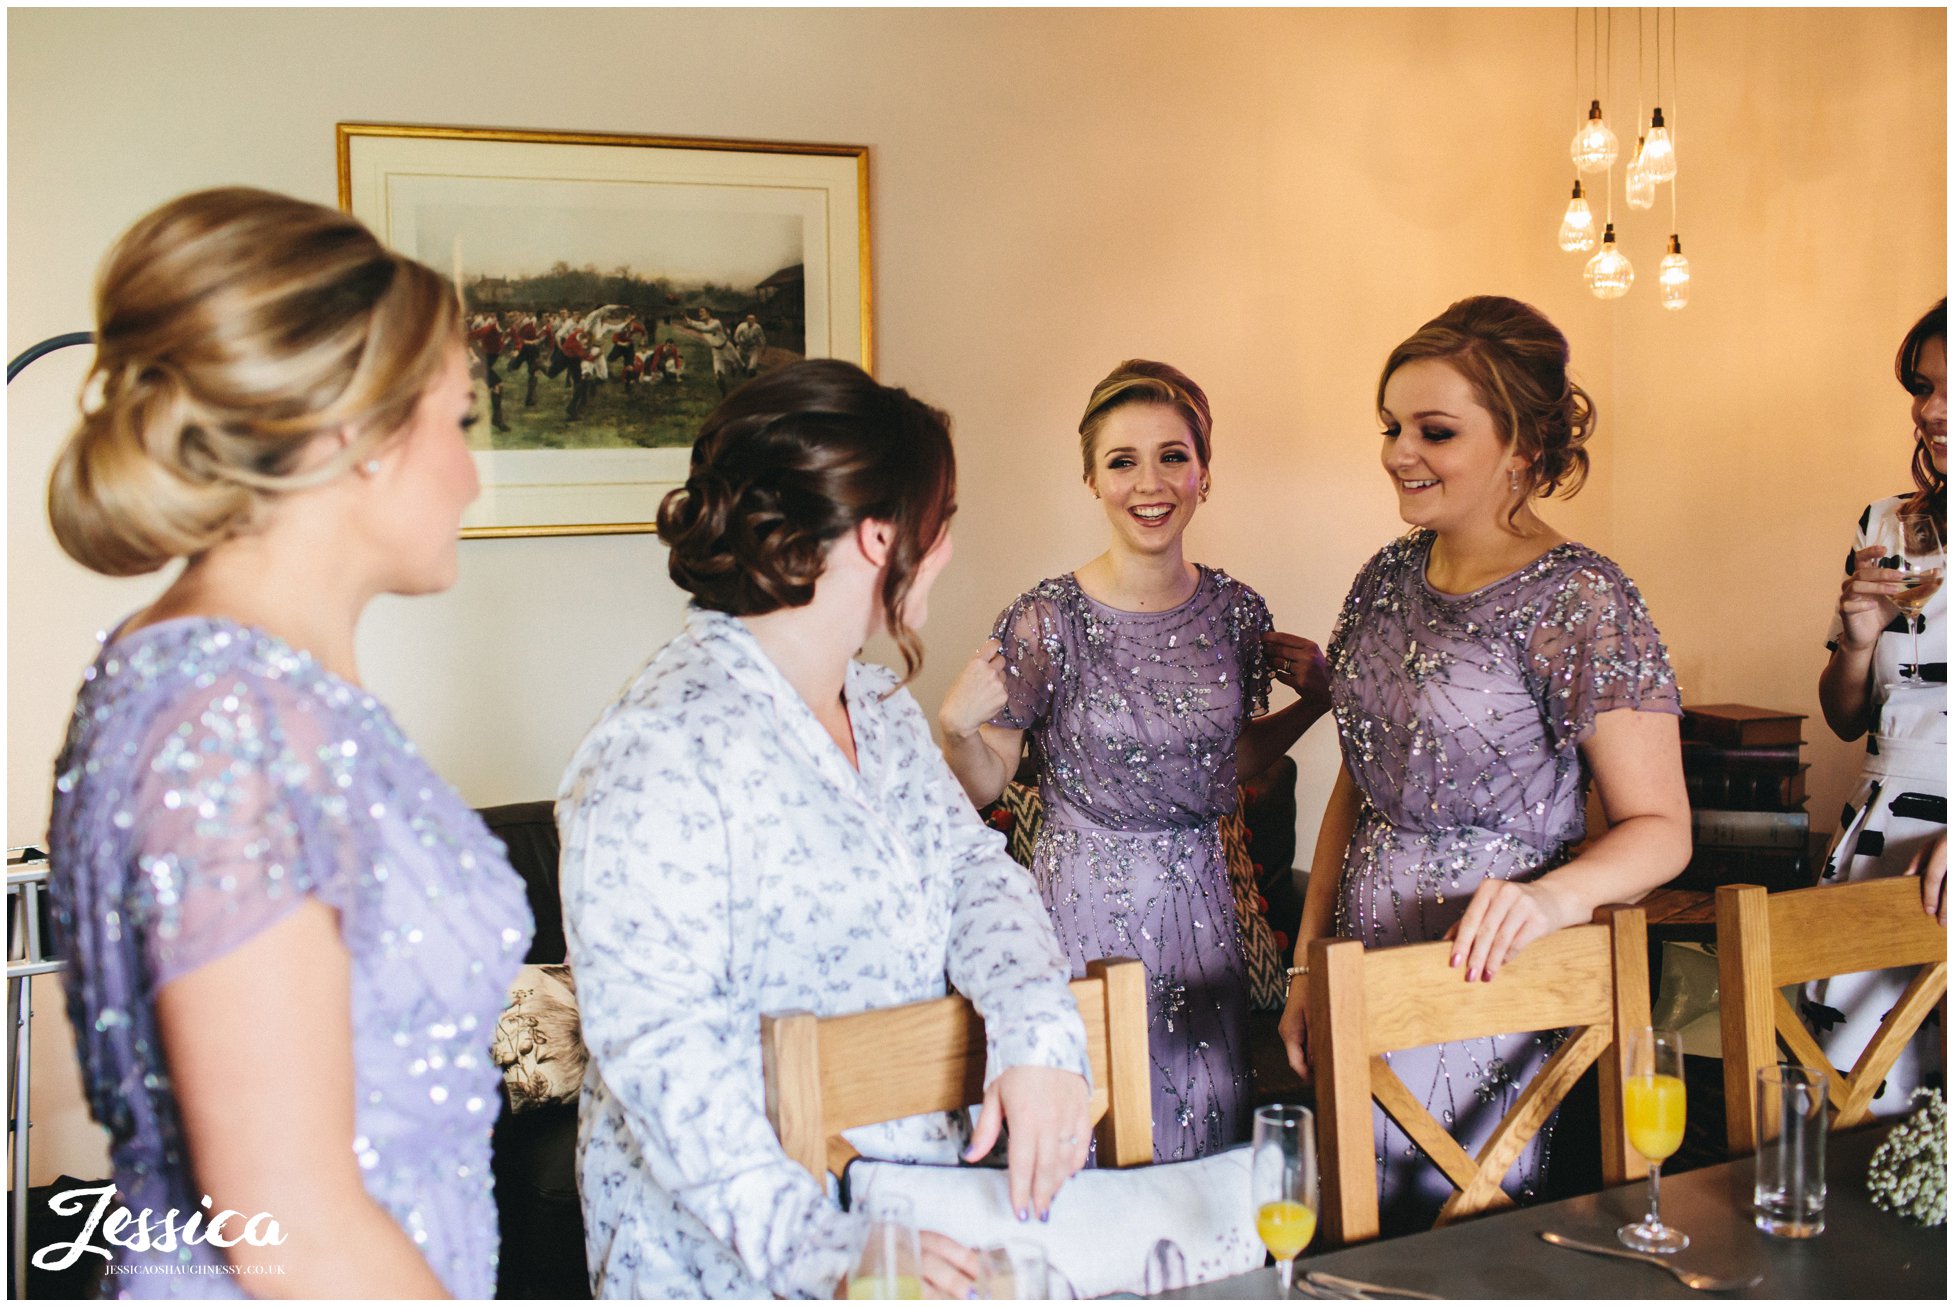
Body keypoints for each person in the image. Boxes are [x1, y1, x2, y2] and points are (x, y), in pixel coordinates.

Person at [43, 187, 532, 1297]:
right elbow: (292, 1232)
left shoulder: (258, 688)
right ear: (354, 434)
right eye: (459, 421)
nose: (470, 469)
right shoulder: (224, 717)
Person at [557, 358, 1092, 1300]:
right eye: (941, 523)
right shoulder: (658, 747)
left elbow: (975, 873)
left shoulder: (878, 707)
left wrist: (1036, 1028)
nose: (948, 548)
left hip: (924, 1217)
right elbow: (660, 1051)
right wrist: (830, 1249)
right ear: (879, 536)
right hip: (744, 1263)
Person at [1276, 296, 1690, 1230]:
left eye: (1434, 430)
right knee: (1350, 1238)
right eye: (1391, 427)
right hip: (1359, 963)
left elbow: (1664, 831)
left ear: (1522, 448)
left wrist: (1554, 899)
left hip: (1492, 976)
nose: (1397, 452)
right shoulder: (1385, 575)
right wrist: (1309, 967)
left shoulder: (1581, 598)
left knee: (1468, 1244)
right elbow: (1357, 781)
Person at [939, 360, 1332, 1162]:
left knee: (1199, 1153)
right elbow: (988, 781)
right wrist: (954, 730)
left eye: (1172, 456)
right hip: (1080, 918)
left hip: (1201, 921)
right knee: (1083, 1150)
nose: (1149, 483)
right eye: (1122, 460)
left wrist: (1318, 700)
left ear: (1204, 472)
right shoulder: (1047, 620)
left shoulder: (1235, 612)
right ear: (1091, 477)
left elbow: (1227, 765)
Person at [1807, 296, 1948, 1107]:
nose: (1930, 409)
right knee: (1860, 1105)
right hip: (1881, 835)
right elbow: (1844, 716)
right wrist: (1859, 636)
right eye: (1922, 386)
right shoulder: (1888, 523)